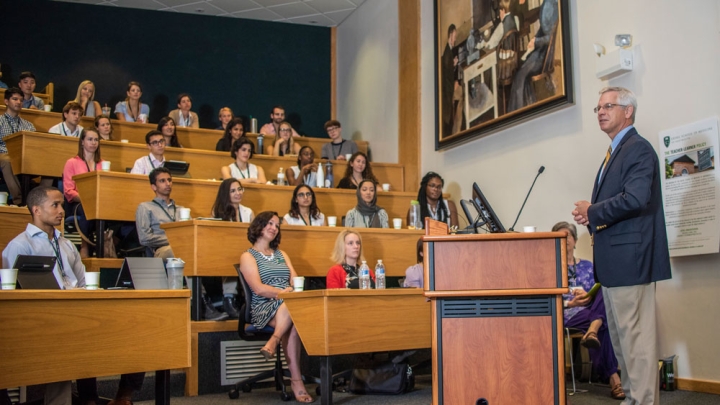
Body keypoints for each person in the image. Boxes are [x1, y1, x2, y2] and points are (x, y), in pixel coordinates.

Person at [572, 87, 672, 405]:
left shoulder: (637, 149)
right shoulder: (615, 152)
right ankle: (632, 398)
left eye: (608, 106)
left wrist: (593, 210)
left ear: (628, 111)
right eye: (598, 107)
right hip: (615, 265)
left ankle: (643, 401)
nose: (601, 111)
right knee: (622, 341)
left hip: (632, 261)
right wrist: (591, 216)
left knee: (637, 342)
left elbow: (636, 198)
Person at [2, 186, 86, 405]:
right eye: (55, 205)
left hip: (73, 312)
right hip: (41, 318)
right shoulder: (21, 245)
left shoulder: (67, 244)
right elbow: (10, 291)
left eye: (62, 205)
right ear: (36, 210)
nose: (62, 211)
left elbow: (83, 283)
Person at [239, 211, 314, 403]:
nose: (274, 228)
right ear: (259, 226)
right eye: (269, 224)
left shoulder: (282, 254)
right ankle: (297, 382)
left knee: (292, 313)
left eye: (276, 225)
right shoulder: (248, 256)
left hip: (287, 303)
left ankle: (274, 341)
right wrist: (284, 293)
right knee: (291, 310)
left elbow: (296, 280)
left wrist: (291, 293)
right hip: (263, 307)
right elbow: (258, 288)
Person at [135, 167, 228, 321]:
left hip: (184, 247)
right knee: (185, 252)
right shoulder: (145, 207)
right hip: (161, 250)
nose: (167, 183)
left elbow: (192, 233)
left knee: (199, 251)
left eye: (169, 180)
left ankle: (222, 300)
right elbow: (144, 238)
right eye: (162, 181)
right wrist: (176, 238)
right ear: (153, 186)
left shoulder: (181, 210)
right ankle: (202, 303)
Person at [553, 221, 625, 400]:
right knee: (603, 321)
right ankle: (614, 379)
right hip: (566, 313)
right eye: (560, 236)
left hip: (590, 309)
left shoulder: (587, 265)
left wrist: (588, 296)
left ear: (575, 240)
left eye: (568, 236)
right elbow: (547, 300)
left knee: (604, 286)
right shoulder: (549, 268)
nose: (565, 239)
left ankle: (593, 329)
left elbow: (597, 294)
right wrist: (571, 304)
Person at [210, 178, 255, 319]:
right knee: (233, 257)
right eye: (233, 190)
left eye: (240, 189)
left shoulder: (248, 212)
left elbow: (254, 236)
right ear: (226, 193)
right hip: (224, 249)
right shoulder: (217, 211)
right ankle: (229, 299)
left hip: (245, 249)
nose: (238, 193)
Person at [507, 0, 558, 112]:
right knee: (520, 67)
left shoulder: (549, 5)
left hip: (542, 55)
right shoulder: (549, 3)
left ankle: (517, 113)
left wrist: (535, 42)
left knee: (519, 76)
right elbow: (543, 31)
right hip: (541, 50)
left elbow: (549, 37)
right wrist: (535, 39)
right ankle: (527, 104)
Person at [62, 128, 104, 258]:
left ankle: (110, 242)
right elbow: (68, 191)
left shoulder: (102, 163)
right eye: (90, 139)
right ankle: (84, 245)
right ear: (82, 142)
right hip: (76, 203)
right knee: (86, 208)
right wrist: (86, 200)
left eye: (96, 140)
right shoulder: (72, 162)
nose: (93, 143)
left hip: (98, 202)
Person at [1, 87, 36, 206]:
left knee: (48, 164)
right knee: (6, 159)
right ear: (6, 101)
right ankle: (20, 201)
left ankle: (38, 201)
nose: (18, 102)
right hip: (3, 156)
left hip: (25, 157)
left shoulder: (29, 125)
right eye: (15, 99)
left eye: (21, 100)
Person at [441, 25, 459, 137]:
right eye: (455, 36)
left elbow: (448, 69)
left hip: (449, 87)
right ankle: (457, 129)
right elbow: (447, 81)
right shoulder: (447, 54)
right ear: (451, 35)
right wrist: (454, 86)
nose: (456, 39)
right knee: (462, 96)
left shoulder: (448, 51)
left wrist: (453, 64)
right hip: (448, 92)